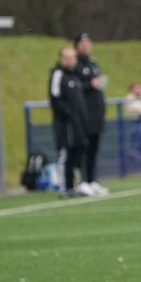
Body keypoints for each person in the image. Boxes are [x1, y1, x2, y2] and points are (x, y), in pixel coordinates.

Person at [49, 45, 90, 198]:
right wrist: (70, 114)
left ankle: (76, 185)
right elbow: (55, 98)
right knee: (65, 153)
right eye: (67, 58)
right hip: (65, 124)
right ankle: (64, 187)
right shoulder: (58, 74)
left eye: (73, 57)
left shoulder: (75, 76)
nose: (71, 60)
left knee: (78, 153)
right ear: (61, 59)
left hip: (78, 123)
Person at [74, 32, 109, 195]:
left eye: (88, 42)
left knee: (94, 149)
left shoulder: (93, 62)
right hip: (84, 114)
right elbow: (75, 87)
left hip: (96, 114)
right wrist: (90, 85)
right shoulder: (76, 64)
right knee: (83, 150)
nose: (86, 45)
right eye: (82, 43)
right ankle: (82, 181)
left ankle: (92, 180)